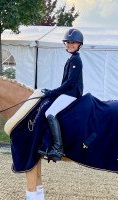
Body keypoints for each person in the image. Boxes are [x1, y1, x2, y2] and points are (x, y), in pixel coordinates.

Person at [38, 28, 84, 161]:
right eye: (68, 43)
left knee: (50, 113)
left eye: (73, 43)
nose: (70, 45)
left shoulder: (76, 60)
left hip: (72, 94)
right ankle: (47, 143)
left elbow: (69, 83)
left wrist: (52, 92)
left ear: (79, 45)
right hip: (68, 92)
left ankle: (57, 148)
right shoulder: (72, 58)